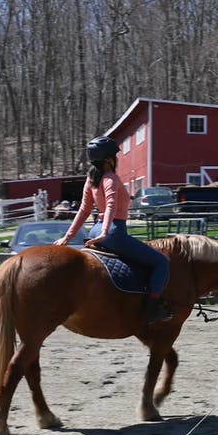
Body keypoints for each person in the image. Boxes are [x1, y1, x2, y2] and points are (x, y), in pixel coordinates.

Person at [55, 136, 172, 324]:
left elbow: (84, 210)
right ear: (109, 159)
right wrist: (106, 231)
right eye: (115, 157)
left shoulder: (92, 179)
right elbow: (110, 205)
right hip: (113, 232)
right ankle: (151, 309)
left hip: (95, 230)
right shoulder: (110, 178)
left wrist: (67, 237)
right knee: (161, 262)